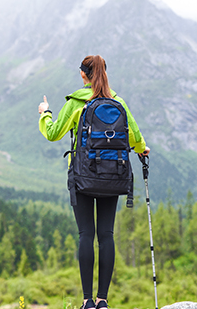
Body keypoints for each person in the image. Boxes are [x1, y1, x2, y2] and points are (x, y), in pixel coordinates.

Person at [38, 55, 150, 309]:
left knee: (86, 235)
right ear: (105, 73)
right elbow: (135, 136)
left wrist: (45, 114)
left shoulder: (77, 102)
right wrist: (143, 149)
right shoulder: (117, 102)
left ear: (82, 75)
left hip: (83, 177)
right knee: (106, 236)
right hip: (113, 176)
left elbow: (54, 133)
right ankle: (103, 301)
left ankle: (87, 301)